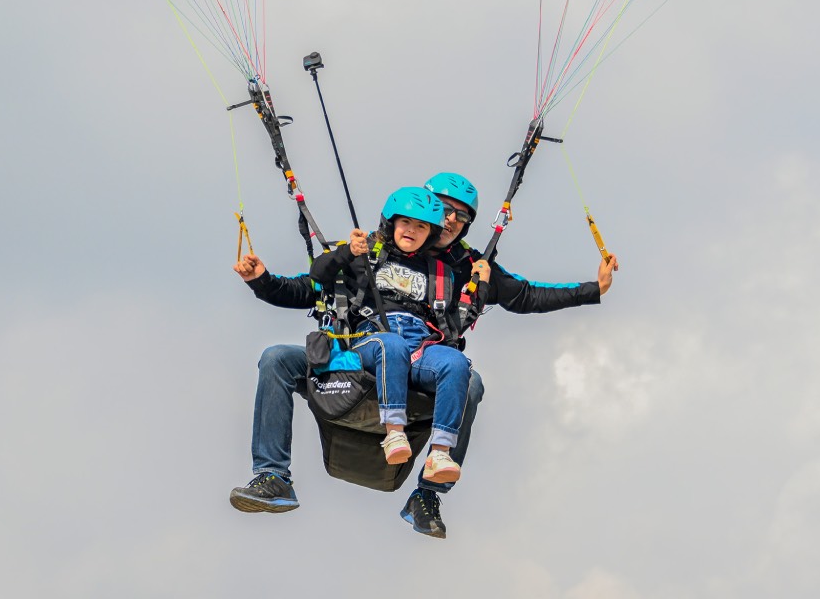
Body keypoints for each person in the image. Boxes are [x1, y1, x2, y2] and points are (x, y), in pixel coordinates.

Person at [229, 172, 619, 538]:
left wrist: (593, 289)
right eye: (442, 209)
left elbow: (528, 295)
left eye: (460, 216)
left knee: (471, 382)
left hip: (419, 369)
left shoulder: (467, 268)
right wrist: (261, 281)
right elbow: (308, 288)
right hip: (357, 362)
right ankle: (272, 476)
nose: (450, 220)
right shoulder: (368, 252)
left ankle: (428, 494)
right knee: (277, 357)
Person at [308, 187, 491, 481]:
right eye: (405, 223)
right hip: (371, 341)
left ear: (430, 234)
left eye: (421, 227)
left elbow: (456, 323)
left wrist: (480, 286)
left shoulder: (441, 272)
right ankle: (394, 432)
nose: (411, 231)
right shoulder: (366, 254)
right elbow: (317, 274)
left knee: (457, 364)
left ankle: (440, 453)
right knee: (390, 344)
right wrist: (347, 252)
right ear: (391, 223)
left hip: (419, 348)